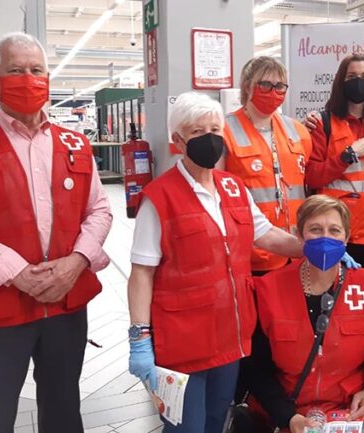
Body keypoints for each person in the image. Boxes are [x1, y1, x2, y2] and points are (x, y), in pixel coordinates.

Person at [0, 32, 112, 432]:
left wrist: (76, 261)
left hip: (66, 307)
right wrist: (16, 271)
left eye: (36, 70)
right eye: (15, 70)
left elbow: (98, 209)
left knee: (64, 411)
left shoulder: (76, 144)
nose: (28, 79)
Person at [127, 92, 306, 433]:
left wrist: (311, 249)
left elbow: (265, 235)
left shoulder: (234, 188)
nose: (209, 138)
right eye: (196, 132)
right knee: (185, 427)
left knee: (214, 422)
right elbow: (141, 273)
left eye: (214, 128)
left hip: (231, 337)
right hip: (182, 344)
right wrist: (139, 338)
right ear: (178, 141)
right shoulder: (159, 198)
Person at [248, 194, 364, 433]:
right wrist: (287, 417)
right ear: (299, 236)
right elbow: (256, 369)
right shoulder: (268, 289)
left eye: (335, 230)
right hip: (287, 415)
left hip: (347, 414)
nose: (325, 238)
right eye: (315, 230)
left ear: (347, 237)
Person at [304, 53, 364, 288]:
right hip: (342, 231)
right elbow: (312, 176)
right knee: (344, 300)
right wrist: (346, 156)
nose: (359, 81)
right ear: (341, 81)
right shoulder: (324, 123)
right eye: (352, 76)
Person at [221, 56, 312, 275]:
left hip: (295, 249)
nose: (273, 91)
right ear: (247, 87)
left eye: (279, 85)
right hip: (252, 251)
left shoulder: (299, 131)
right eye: (265, 84)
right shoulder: (224, 130)